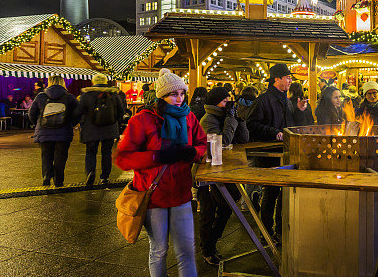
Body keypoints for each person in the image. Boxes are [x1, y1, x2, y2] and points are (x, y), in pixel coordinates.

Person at [116, 68, 207, 277]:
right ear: (162, 95)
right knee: (159, 250)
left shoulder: (189, 117)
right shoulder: (142, 120)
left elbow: (202, 143)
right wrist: (157, 157)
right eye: (174, 94)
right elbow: (123, 158)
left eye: (182, 93)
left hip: (182, 194)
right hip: (154, 196)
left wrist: (193, 152)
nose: (179, 98)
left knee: (186, 251)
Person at [198, 86, 250, 265]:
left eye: (229, 100)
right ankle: (207, 250)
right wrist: (230, 118)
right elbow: (222, 144)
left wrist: (238, 119)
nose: (228, 103)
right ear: (216, 102)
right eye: (224, 101)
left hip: (225, 171)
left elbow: (244, 140)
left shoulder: (224, 117)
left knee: (226, 210)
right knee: (208, 213)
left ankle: (209, 245)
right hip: (208, 175)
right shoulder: (208, 120)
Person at [246, 63, 296, 243]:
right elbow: (251, 124)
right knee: (271, 194)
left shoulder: (287, 100)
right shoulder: (263, 100)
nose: (290, 80)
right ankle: (266, 232)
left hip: (285, 153)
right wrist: (274, 133)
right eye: (287, 77)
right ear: (277, 79)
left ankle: (279, 230)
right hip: (269, 154)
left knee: (284, 195)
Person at [74, 72, 126, 185]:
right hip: (110, 129)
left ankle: (90, 172)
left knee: (91, 152)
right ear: (105, 82)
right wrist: (115, 123)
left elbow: (78, 111)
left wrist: (80, 122)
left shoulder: (87, 95)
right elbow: (121, 111)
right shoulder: (113, 94)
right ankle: (105, 177)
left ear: (94, 82)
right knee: (106, 152)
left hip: (91, 130)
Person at [28, 75, 77, 186]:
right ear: (62, 83)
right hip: (63, 132)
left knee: (46, 154)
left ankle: (46, 175)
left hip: (44, 131)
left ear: (49, 82)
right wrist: (70, 124)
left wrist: (38, 124)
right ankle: (58, 179)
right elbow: (77, 113)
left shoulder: (41, 96)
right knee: (61, 156)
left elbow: (31, 113)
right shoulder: (69, 97)